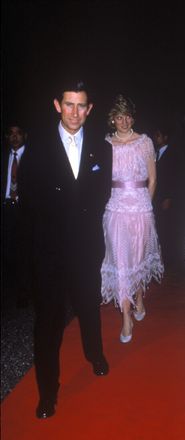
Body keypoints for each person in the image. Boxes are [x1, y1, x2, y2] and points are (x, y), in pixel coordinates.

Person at [18, 79, 112, 419]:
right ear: (58, 105)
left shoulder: (102, 149)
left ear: (89, 109)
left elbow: (101, 195)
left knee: (89, 307)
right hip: (51, 251)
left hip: (86, 247)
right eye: (68, 104)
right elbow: (28, 197)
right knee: (48, 322)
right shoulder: (38, 147)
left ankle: (95, 354)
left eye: (81, 106)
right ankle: (48, 392)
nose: (74, 112)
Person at [101, 94, 163, 343]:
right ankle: (125, 316)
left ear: (132, 117)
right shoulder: (106, 144)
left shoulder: (144, 142)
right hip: (115, 208)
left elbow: (153, 179)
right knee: (120, 261)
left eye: (127, 116)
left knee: (137, 257)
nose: (123, 121)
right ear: (112, 119)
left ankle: (139, 297)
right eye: (118, 116)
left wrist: (146, 204)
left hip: (140, 208)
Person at [2, 124, 30, 307]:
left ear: (24, 135)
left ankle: (24, 292)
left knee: (24, 252)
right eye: (11, 134)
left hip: (25, 209)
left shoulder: (32, 157)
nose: (14, 137)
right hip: (6, 208)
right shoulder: (4, 157)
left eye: (18, 133)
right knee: (7, 251)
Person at [153, 124, 180, 268]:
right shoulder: (155, 153)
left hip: (166, 197)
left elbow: (173, 177)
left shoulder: (172, 154)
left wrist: (168, 197)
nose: (155, 138)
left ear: (165, 137)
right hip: (156, 196)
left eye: (158, 135)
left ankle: (168, 259)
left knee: (166, 227)